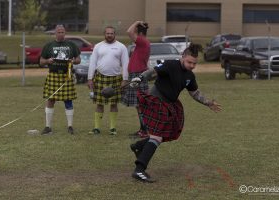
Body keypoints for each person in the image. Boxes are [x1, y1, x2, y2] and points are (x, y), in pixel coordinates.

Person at [129, 43, 222, 182]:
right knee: (157, 137)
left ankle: (139, 146)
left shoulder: (189, 76)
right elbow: (153, 71)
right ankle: (139, 169)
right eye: (189, 62)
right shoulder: (170, 65)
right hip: (155, 101)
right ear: (183, 57)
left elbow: (194, 93)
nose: (191, 65)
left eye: (194, 64)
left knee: (168, 133)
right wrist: (141, 78)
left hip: (169, 104)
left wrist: (208, 102)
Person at [87, 26, 129, 135]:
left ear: (115, 34)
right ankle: (96, 128)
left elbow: (125, 64)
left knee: (113, 104)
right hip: (100, 77)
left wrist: (125, 79)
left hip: (115, 78)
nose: (109, 35)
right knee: (99, 104)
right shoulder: (98, 46)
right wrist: (90, 78)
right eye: (107, 33)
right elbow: (92, 62)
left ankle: (113, 128)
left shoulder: (121, 47)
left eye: (111, 33)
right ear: (104, 34)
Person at [40, 24, 81, 135]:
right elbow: (41, 61)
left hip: (66, 76)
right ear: (55, 33)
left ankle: (70, 126)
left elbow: (78, 59)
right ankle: (48, 127)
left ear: (65, 33)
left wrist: (73, 61)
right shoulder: (49, 45)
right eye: (59, 32)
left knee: (68, 100)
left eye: (62, 32)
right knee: (50, 100)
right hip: (53, 76)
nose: (61, 34)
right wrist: (48, 61)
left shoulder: (71, 45)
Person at [122, 21, 150, 138]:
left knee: (141, 104)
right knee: (139, 104)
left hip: (138, 75)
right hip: (137, 74)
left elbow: (129, 31)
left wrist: (137, 21)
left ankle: (145, 131)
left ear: (138, 33)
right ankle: (143, 130)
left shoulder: (142, 41)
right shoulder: (143, 43)